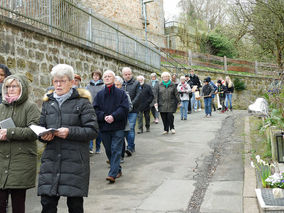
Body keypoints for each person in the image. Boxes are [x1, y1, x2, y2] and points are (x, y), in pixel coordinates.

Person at [38, 64, 98, 213]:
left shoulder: (82, 102)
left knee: (75, 205)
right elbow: (41, 126)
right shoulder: (48, 103)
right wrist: (44, 136)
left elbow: (92, 131)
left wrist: (69, 132)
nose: (58, 85)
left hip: (75, 161)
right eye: (55, 81)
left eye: (62, 81)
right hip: (51, 160)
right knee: (47, 203)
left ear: (72, 82)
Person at [0, 74, 40, 213]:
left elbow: (34, 131)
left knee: (18, 204)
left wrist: (9, 132)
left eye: (14, 86)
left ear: (22, 88)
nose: (10, 89)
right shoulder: (1, 107)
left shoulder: (30, 107)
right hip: (1, 160)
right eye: (8, 86)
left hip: (21, 160)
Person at [94, 70, 129, 183]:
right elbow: (95, 109)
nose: (107, 78)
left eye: (109, 76)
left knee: (116, 149)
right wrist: (104, 116)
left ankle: (112, 174)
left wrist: (113, 116)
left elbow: (124, 108)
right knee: (109, 150)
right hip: (104, 127)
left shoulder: (121, 94)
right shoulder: (99, 95)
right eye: (105, 76)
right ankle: (117, 169)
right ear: (103, 79)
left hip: (118, 126)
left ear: (114, 79)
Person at [121, 67, 140, 156]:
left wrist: (130, 105)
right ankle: (130, 146)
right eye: (126, 74)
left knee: (131, 128)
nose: (128, 76)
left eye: (129, 74)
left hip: (133, 110)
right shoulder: (120, 83)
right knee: (124, 129)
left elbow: (138, 96)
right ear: (123, 75)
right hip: (122, 111)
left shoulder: (136, 83)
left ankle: (130, 148)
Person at [114, 76, 133, 163]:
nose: (116, 86)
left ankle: (120, 156)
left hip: (122, 121)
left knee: (120, 139)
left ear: (121, 85)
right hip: (111, 121)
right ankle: (114, 156)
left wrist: (121, 112)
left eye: (118, 85)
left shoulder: (125, 94)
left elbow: (130, 107)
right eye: (115, 84)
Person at [86, 70, 104, 154]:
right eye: (94, 75)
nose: (95, 77)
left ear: (100, 77)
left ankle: (98, 147)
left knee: (99, 130)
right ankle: (90, 148)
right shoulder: (88, 86)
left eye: (97, 75)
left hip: (100, 110)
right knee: (90, 127)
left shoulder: (103, 86)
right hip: (90, 109)